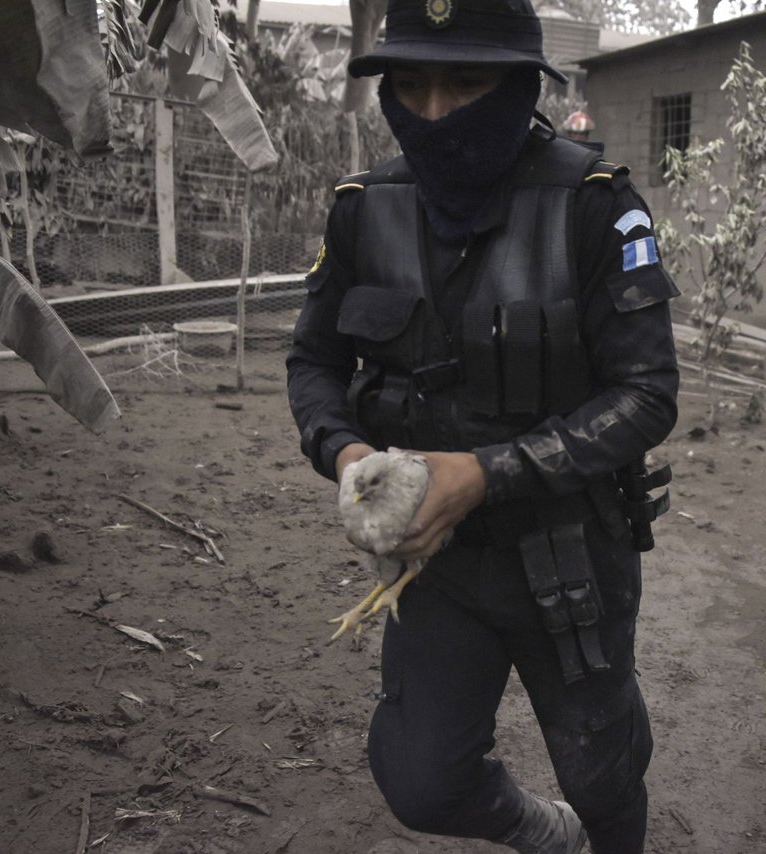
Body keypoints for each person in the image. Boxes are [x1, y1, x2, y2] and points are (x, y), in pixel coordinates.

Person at [286, 1, 679, 851]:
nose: (434, 111)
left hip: (571, 551)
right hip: (436, 560)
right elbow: (313, 364)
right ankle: (546, 834)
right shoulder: (364, 208)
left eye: (465, 84)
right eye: (412, 84)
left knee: (601, 770)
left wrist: (486, 473)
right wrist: (348, 452)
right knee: (421, 781)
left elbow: (647, 394)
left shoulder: (596, 207)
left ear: (519, 84)